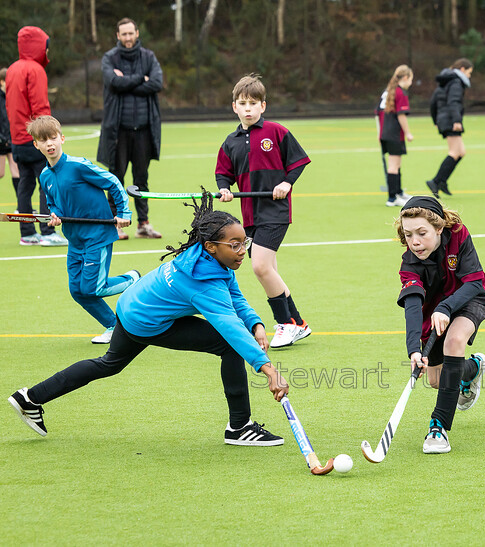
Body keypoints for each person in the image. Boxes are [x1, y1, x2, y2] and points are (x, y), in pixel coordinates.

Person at [8, 191, 289, 447]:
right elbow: (228, 326)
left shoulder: (205, 257)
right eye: (235, 245)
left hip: (131, 304)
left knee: (108, 364)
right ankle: (239, 428)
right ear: (212, 246)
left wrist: (256, 324)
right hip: (146, 320)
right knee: (229, 345)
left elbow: (234, 295)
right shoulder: (202, 283)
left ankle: (30, 397)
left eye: (244, 243)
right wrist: (267, 369)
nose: (243, 251)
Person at [216, 74, 312, 349]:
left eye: (253, 103)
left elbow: (298, 162)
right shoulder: (231, 141)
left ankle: (286, 324)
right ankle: (298, 323)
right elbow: (223, 173)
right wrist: (223, 189)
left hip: (276, 211)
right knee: (269, 269)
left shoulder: (276, 132)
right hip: (250, 215)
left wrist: (286, 182)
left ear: (263, 106)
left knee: (259, 266)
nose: (248, 108)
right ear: (234, 107)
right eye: (242, 103)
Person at [30, 115, 139, 344]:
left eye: (53, 138)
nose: (49, 144)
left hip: (97, 236)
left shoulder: (78, 166)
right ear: (36, 144)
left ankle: (132, 279)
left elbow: (113, 183)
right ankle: (114, 326)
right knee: (77, 291)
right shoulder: (45, 175)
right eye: (43, 140)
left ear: (62, 138)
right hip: (75, 239)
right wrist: (55, 214)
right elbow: (53, 202)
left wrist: (124, 213)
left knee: (92, 289)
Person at [396, 196, 485, 454]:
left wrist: (446, 307)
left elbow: (474, 282)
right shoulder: (409, 264)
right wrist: (413, 348)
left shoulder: (458, 235)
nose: (415, 241)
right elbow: (413, 304)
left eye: (422, 233)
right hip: (433, 311)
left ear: (438, 228)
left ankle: (438, 428)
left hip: (469, 297)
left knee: (454, 341)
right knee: (437, 380)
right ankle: (472, 368)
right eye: (408, 234)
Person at [96, 17, 164, 241]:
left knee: (141, 179)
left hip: (143, 130)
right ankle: (114, 223)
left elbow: (156, 83)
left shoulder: (148, 56)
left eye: (130, 33)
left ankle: (143, 224)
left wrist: (127, 81)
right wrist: (139, 80)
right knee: (116, 178)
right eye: (123, 34)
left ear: (137, 33)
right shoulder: (109, 58)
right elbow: (113, 83)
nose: (127, 38)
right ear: (117, 35)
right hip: (118, 131)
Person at [5, 26, 67, 247]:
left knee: (25, 184)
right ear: (40, 47)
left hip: (17, 139)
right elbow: (40, 108)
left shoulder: (12, 69)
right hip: (35, 139)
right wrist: (50, 136)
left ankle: (27, 233)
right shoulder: (35, 70)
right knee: (46, 184)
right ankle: (47, 232)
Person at [426, 58, 473, 199]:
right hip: (451, 120)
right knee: (454, 152)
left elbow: (433, 102)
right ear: (463, 69)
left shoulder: (445, 81)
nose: (470, 76)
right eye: (470, 73)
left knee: (461, 152)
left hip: (444, 119)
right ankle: (435, 181)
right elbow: (454, 102)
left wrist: (436, 120)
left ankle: (442, 181)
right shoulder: (455, 82)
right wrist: (457, 120)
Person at [376, 64, 414, 207]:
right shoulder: (400, 93)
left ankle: (398, 192)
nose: (410, 83)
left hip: (385, 133)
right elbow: (401, 116)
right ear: (405, 78)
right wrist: (408, 133)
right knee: (393, 166)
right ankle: (392, 198)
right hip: (394, 134)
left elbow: (377, 114)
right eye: (411, 79)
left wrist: (379, 134)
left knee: (396, 164)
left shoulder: (387, 92)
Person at [0, 68, 21, 197]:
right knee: (1, 173)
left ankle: (21, 206)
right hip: (1, 140)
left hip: (11, 139)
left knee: (17, 172)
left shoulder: (12, 95)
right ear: (2, 81)